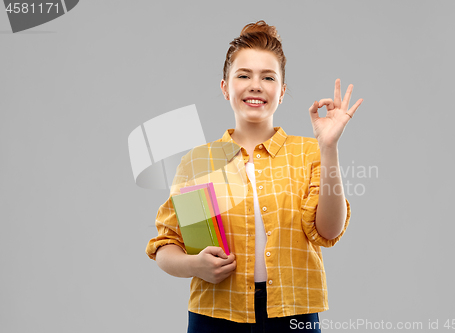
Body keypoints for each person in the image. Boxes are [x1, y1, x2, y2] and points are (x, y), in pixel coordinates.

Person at [145, 20, 363, 332]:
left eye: (268, 77)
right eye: (243, 75)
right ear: (225, 87)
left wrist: (328, 147)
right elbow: (166, 245)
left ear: (282, 91)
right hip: (216, 314)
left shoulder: (309, 153)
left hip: (293, 314)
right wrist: (195, 265)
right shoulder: (199, 162)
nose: (255, 85)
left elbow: (328, 231)